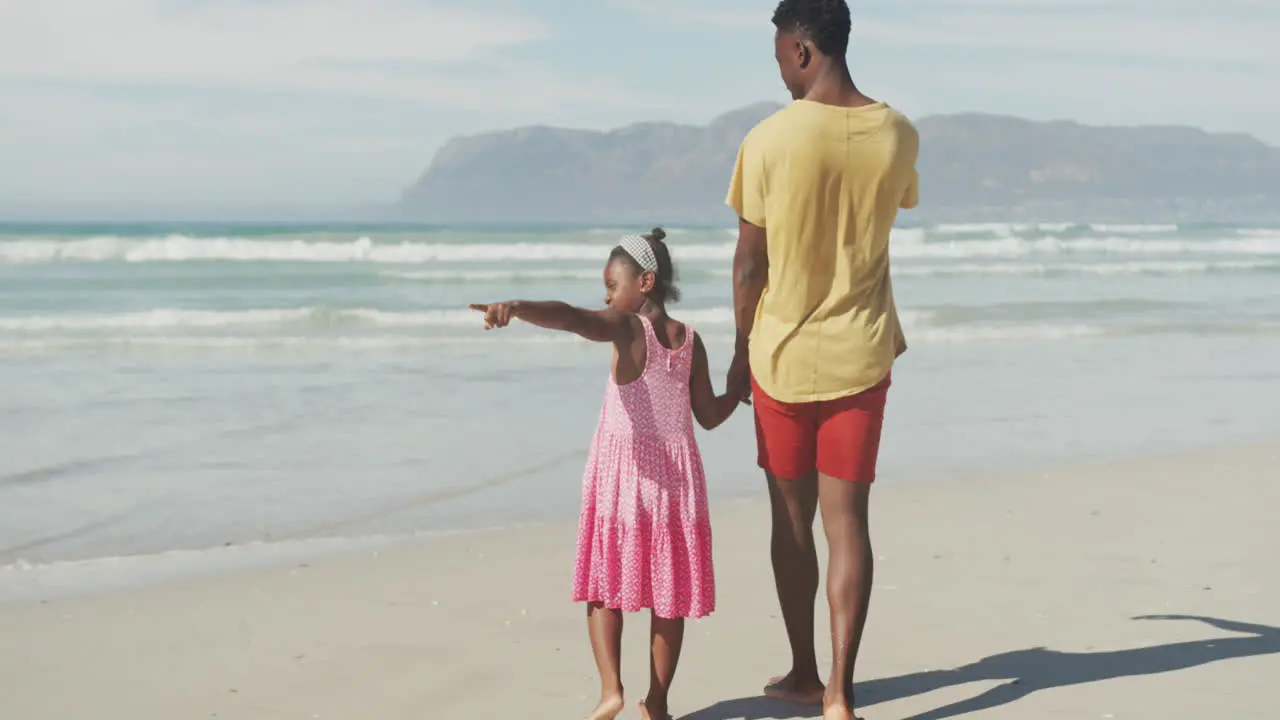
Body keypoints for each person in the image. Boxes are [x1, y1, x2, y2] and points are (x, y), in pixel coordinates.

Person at [723, 1, 921, 718]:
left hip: (780, 357)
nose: (779, 70)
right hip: (862, 356)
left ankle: (804, 671)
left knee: (790, 521)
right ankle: (840, 692)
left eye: (780, 55)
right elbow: (876, 215)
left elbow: (751, 266)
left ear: (803, 51)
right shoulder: (899, 132)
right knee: (850, 525)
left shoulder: (768, 139)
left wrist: (740, 357)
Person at [470, 228, 741, 720]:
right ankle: (656, 704)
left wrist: (517, 306)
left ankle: (611, 690)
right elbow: (708, 415)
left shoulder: (626, 327)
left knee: (603, 585)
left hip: (624, 476)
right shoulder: (690, 341)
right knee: (669, 596)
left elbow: (576, 318)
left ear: (645, 282)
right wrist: (738, 388)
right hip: (676, 486)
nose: (607, 295)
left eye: (612, 285)